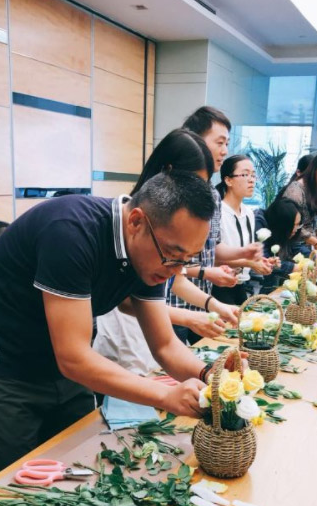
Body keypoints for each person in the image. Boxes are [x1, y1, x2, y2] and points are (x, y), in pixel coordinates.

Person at [0, 171, 217, 486]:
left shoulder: (152, 255)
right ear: (136, 222)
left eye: (186, 259)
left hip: (64, 370)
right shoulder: (71, 232)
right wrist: (166, 395)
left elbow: (165, 345)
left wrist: (212, 376)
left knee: (78, 471)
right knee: (6, 490)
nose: (175, 270)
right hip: (5, 368)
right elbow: (74, 357)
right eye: (173, 256)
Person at [94, 129, 239, 372]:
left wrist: (214, 305)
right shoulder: (138, 226)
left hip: (155, 324)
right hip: (128, 331)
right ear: (168, 173)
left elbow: (177, 279)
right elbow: (126, 303)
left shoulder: (167, 234)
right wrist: (190, 316)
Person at [168, 106, 263, 342]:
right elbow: (168, 268)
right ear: (195, 141)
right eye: (219, 143)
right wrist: (208, 273)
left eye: (227, 144)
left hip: (200, 299)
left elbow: (212, 247)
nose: (225, 151)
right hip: (171, 303)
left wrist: (243, 253)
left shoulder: (211, 192)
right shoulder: (172, 192)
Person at [211, 155, 275, 306]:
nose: (251, 180)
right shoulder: (217, 212)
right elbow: (212, 256)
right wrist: (251, 263)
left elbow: (244, 252)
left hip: (239, 284)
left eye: (253, 175)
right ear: (228, 180)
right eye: (245, 174)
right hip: (218, 285)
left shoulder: (248, 213)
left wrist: (260, 261)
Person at [279, 151, 317, 252]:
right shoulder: (295, 191)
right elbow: (292, 226)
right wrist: (316, 243)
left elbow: (313, 224)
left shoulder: (311, 190)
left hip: (306, 245)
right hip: (294, 247)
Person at [254, 197, 303, 291]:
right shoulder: (259, 224)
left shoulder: (281, 229)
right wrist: (292, 267)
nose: (296, 229)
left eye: (298, 224)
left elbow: (297, 246)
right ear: (283, 224)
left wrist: (314, 259)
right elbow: (264, 258)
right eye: (295, 225)